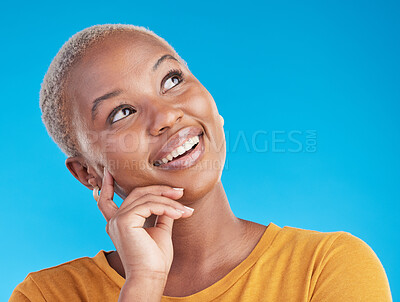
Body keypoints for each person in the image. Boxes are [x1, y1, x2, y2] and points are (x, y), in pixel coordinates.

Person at [10, 24, 392, 302]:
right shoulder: (47, 296)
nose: (166, 115)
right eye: (121, 112)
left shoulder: (326, 267)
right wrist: (143, 285)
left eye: (172, 80)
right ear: (87, 172)